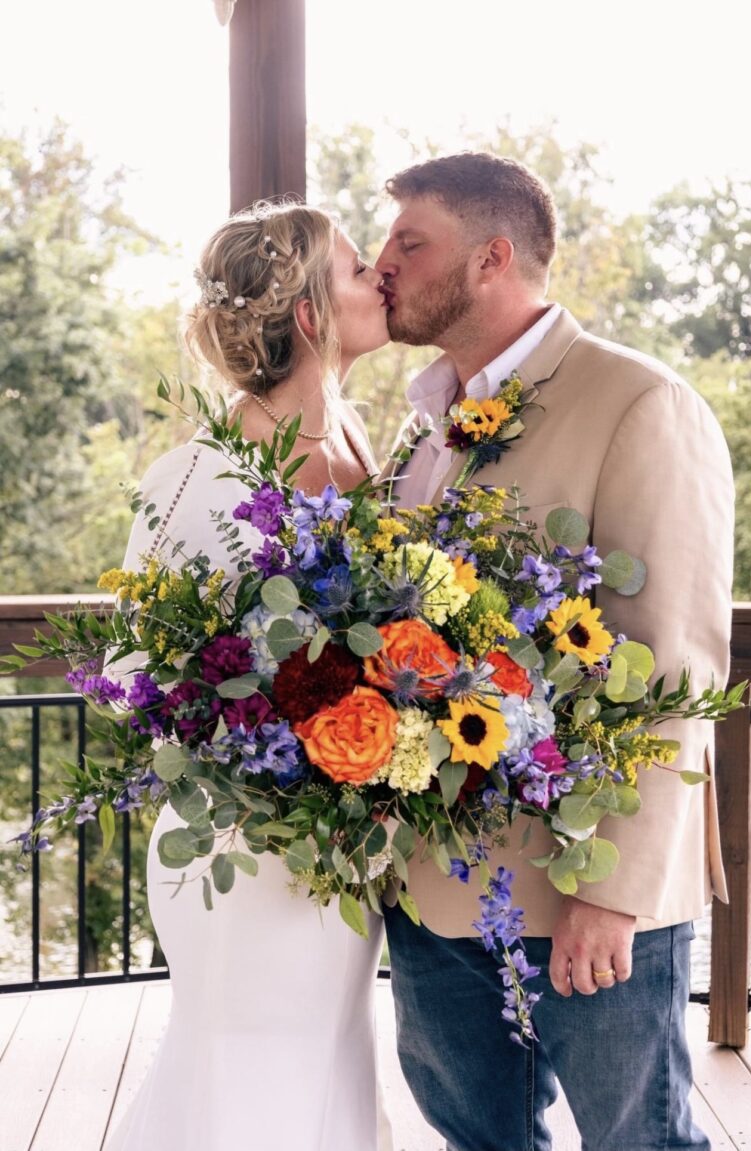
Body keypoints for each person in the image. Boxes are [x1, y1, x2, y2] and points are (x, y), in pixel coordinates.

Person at [374, 152, 734, 1151]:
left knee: (641, 1141)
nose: (382, 265)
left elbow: (673, 664)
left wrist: (613, 896)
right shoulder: (419, 428)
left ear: (491, 258)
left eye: (411, 241)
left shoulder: (641, 404)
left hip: (586, 889)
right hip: (436, 892)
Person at [105, 202, 393, 1151]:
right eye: (358, 269)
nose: (380, 277)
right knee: (244, 1082)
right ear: (311, 313)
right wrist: (274, 746)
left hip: (342, 849)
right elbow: (138, 670)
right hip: (241, 846)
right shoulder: (197, 477)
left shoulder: (359, 448)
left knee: (327, 1067)